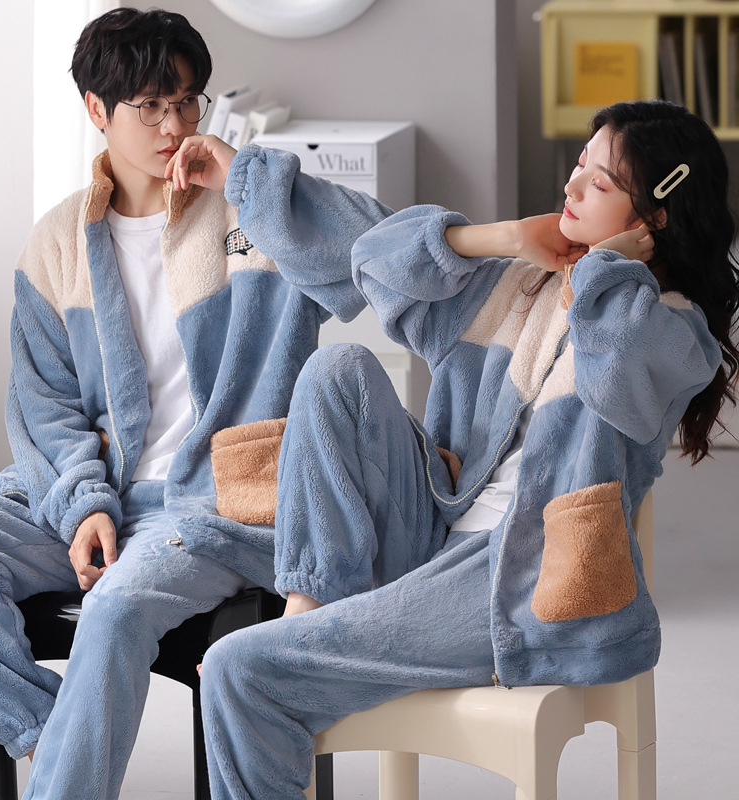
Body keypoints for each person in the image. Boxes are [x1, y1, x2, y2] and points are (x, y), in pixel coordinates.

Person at [173, 100, 739, 799]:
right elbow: (369, 255)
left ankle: (293, 650)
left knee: (237, 669)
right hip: (431, 535)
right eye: (578, 166)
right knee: (336, 370)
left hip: (517, 580)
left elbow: (615, 363)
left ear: (653, 219)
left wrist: (607, 267)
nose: (570, 187)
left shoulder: (675, 333)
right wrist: (504, 238)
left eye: (598, 183)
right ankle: (307, 611)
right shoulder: (524, 286)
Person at [0, 8, 390, 800]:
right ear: (96, 109)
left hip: (211, 504)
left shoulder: (245, 218)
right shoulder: (56, 244)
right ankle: (54, 734)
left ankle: (66, 770)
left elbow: (381, 255)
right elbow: (43, 404)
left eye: (186, 102)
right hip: (98, 497)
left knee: (114, 610)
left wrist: (248, 178)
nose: (174, 125)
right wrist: (83, 503)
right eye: (149, 106)